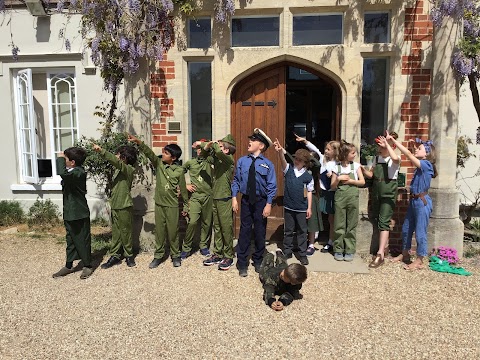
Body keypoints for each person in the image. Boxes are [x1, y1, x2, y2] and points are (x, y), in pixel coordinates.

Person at [128, 134, 188, 268]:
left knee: (173, 232)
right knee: (160, 232)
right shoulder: (159, 164)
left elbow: (183, 190)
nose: (163, 154)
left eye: (166, 153)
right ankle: (158, 255)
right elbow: (150, 154)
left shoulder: (179, 171)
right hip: (160, 205)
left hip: (172, 206)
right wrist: (139, 142)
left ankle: (175, 255)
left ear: (173, 158)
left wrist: (186, 207)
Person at [387, 133, 437, 270]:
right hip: (414, 201)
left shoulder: (427, 165)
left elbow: (408, 154)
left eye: (419, 148)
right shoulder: (420, 167)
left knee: (420, 232)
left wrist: (394, 142)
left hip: (422, 202)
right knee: (406, 229)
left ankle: (420, 259)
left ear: (427, 153)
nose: (416, 150)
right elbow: (411, 153)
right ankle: (405, 254)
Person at [232, 128, 277, 277]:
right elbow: (236, 181)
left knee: (259, 231)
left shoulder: (268, 164)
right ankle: (242, 263)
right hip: (245, 200)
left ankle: (258, 260)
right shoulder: (242, 161)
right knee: (244, 231)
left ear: (262, 146)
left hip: (261, 201)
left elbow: (271, 186)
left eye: (253, 140)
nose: (249, 142)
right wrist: (234, 198)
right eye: (250, 139)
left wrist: (269, 203)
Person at [92, 143, 138, 268]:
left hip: (124, 205)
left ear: (125, 157)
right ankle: (115, 256)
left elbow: (115, 161)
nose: (116, 156)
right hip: (116, 205)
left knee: (126, 232)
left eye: (118, 154)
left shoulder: (128, 169)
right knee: (116, 233)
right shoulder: (118, 170)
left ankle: (129, 255)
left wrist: (101, 150)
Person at [295, 135, 340, 255]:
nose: (326, 151)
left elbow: (341, 175)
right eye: (326, 149)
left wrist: (335, 175)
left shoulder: (337, 163)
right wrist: (305, 142)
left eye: (329, 149)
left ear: (335, 151)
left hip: (331, 193)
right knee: (315, 216)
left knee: (331, 218)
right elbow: (315, 150)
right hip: (320, 192)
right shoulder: (322, 160)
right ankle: (312, 241)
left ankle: (330, 241)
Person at [53, 147, 93, 279]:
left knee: (83, 239)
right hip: (70, 212)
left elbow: (63, 174)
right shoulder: (72, 171)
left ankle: (87, 265)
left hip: (79, 213)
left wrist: (59, 159)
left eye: (65, 159)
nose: (64, 161)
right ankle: (68, 265)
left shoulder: (79, 172)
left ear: (73, 162)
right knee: (70, 239)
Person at [361, 132, 400, 268]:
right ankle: (385, 247)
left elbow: (395, 158)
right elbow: (371, 174)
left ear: (390, 147)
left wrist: (388, 144)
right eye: (379, 146)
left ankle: (380, 254)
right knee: (378, 219)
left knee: (384, 221)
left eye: (382, 147)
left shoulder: (395, 159)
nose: (380, 148)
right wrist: (361, 169)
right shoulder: (377, 159)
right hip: (377, 191)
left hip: (388, 193)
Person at [274, 139, 313, 265]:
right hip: (289, 206)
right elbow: (283, 161)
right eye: (296, 158)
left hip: (301, 208)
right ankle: (288, 251)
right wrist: (280, 152)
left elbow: (309, 192)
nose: (297, 161)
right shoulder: (289, 170)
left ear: (305, 163)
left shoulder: (308, 176)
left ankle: (302, 254)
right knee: (288, 230)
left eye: (300, 160)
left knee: (302, 231)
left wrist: (309, 208)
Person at [202, 134, 237, 270]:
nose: (219, 147)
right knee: (217, 227)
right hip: (215, 197)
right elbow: (205, 155)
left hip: (225, 198)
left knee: (226, 228)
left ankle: (228, 255)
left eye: (222, 146)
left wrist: (215, 144)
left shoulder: (229, 160)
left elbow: (216, 151)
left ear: (227, 150)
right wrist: (207, 145)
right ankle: (217, 253)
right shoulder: (218, 160)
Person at [330, 141, 365, 261]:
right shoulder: (337, 167)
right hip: (340, 198)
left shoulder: (356, 166)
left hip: (352, 197)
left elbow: (362, 182)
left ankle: (349, 249)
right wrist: (338, 178)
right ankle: (338, 249)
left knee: (351, 224)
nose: (355, 155)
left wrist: (351, 181)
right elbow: (333, 186)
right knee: (339, 224)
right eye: (353, 153)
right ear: (345, 154)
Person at [181, 140, 213, 260]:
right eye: (198, 148)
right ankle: (186, 248)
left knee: (206, 222)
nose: (200, 151)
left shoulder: (210, 161)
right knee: (192, 221)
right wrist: (184, 185)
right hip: (195, 197)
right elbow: (178, 174)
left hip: (208, 196)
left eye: (202, 148)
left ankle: (203, 246)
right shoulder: (190, 163)